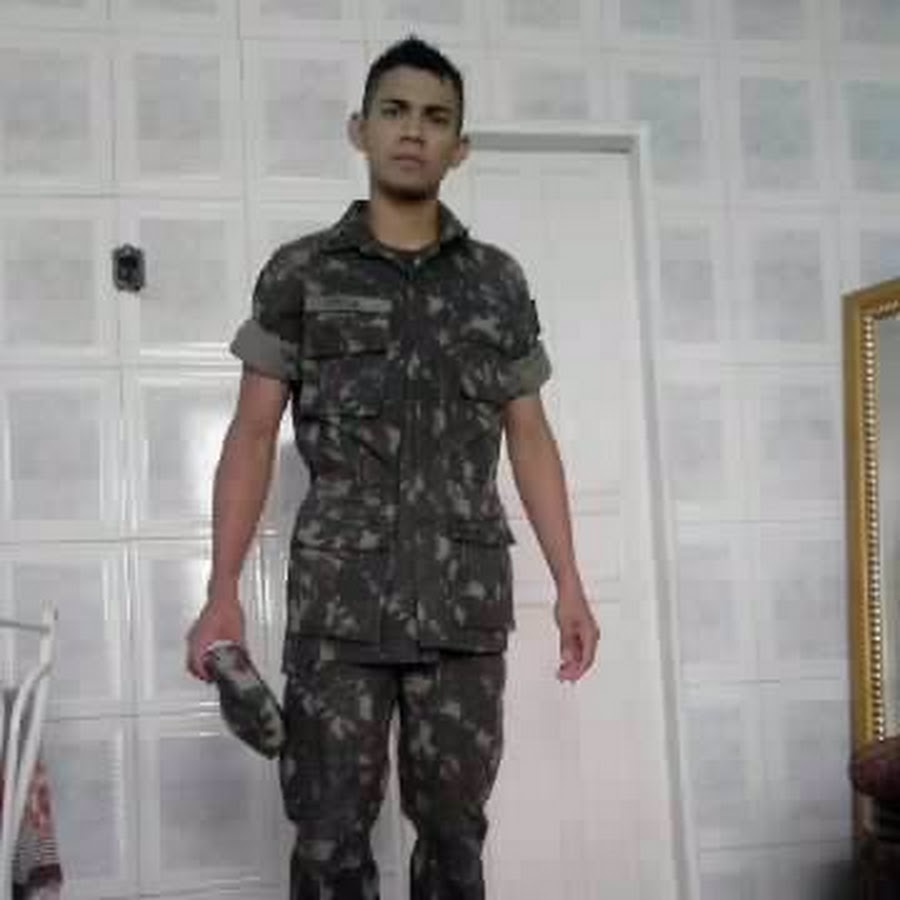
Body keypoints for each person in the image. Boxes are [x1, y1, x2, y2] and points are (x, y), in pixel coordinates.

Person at [186, 35, 599, 900]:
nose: (414, 131)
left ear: (460, 146)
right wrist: (220, 590)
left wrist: (570, 581)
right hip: (341, 610)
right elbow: (252, 436)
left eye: (436, 117)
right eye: (395, 111)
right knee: (328, 837)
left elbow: (530, 435)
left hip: (461, 610)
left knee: (455, 841)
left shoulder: (496, 283)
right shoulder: (301, 274)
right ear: (360, 129)